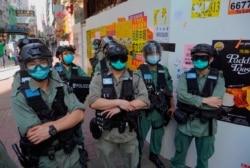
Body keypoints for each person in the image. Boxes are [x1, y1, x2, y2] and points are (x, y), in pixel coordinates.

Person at [11, 42, 86, 168]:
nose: (38, 68)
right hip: (46, 160)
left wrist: (51, 128)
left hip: (72, 155)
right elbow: (34, 134)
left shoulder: (61, 86)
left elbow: (79, 114)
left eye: (42, 62)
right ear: (25, 67)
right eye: (32, 64)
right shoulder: (20, 96)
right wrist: (68, 117)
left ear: (49, 63)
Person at [88, 42, 150, 168]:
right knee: (105, 164)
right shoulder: (99, 78)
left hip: (129, 134)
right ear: (109, 60)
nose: (119, 61)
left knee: (132, 164)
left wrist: (119, 109)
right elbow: (93, 101)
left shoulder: (136, 77)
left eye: (122, 58)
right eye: (115, 58)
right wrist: (119, 102)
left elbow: (144, 101)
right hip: (106, 134)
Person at [171, 43, 226, 168]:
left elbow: (215, 104)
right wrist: (205, 101)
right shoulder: (186, 76)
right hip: (185, 124)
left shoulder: (218, 79)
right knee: (179, 156)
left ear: (211, 59)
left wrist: (191, 101)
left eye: (203, 58)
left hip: (206, 126)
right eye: (196, 58)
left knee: (203, 159)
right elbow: (181, 96)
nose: (199, 60)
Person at [137, 40, 175, 168]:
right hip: (144, 112)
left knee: (158, 135)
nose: (153, 56)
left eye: (155, 53)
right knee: (140, 136)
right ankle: (137, 158)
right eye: (150, 54)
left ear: (159, 54)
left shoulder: (164, 70)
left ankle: (154, 154)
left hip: (159, 110)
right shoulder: (139, 72)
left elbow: (169, 90)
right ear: (145, 56)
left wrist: (172, 106)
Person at [54, 44, 90, 166]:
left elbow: (86, 80)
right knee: (63, 128)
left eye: (70, 53)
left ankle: (81, 148)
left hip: (76, 104)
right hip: (61, 107)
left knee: (78, 128)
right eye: (65, 54)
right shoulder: (54, 71)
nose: (69, 56)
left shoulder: (77, 69)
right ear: (59, 56)